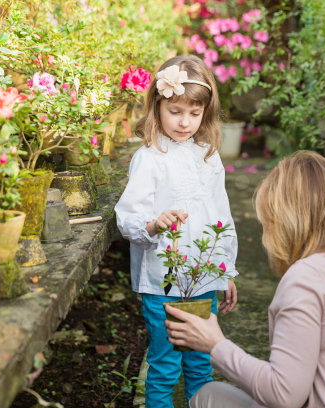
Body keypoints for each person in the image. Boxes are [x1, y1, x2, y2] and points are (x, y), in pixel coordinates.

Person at [164, 151, 325, 408]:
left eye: (266, 223)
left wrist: (216, 345)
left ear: (284, 221)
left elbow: (283, 395)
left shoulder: (306, 279)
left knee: (207, 395)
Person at [114, 54, 239, 408]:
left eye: (194, 114)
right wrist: (154, 224)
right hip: (162, 283)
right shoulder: (150, 157)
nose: (185, 122)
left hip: (203, 279)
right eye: (175, 112)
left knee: (201, 362)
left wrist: (225, 271)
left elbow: (221, 215)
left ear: (205, 113)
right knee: (166, 365)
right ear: (157, 107)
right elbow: (127, 217)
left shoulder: (208, 156)